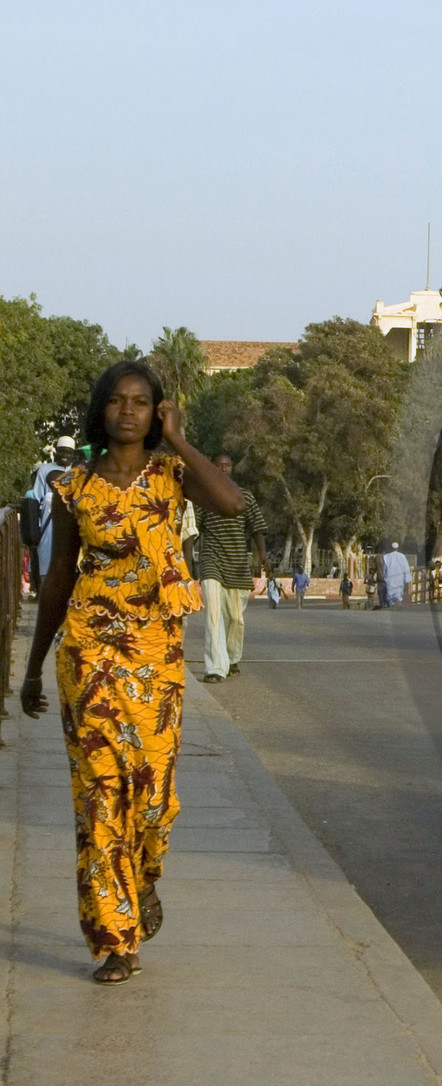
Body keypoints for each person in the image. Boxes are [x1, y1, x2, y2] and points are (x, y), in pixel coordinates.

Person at [18, 358, 244, 985]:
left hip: (156, 657)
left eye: (141, 402)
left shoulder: (172, 475)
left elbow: (229, 501)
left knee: (151, 800)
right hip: (89, 653)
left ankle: (142, 881)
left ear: (157, 412)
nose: (127, 411)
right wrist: (34, 667)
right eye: (117, 401)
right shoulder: (74, 488)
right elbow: (60, 575)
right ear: (101, 409)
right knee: (98, 798)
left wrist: (177, 438)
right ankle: (116, 940)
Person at [194, 452, 270, 683]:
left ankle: (232, 656)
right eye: (219, 465)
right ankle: (215, 667)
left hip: (237, 563)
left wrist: (263, 555)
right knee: (214, 615)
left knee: (236, 618)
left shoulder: (244, 496)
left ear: (232, 468)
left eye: (227, 465)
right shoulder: (204, 496)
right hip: (211, 560)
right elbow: (193, 529)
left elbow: (257, 526)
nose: (223, 469)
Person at [25, 436, 78, 597]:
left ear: (73, 454)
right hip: (48, 525)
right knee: (46, 559)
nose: (64, 456)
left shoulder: (78, 471)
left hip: (71, 524)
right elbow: (37, 497)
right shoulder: (44, 470)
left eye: (68, 453)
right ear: (56, 452)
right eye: (61, 452)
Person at [379, 542, 411, 608]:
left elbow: (385, 568)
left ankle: (392, 604)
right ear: (398, 548)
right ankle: (398, 602)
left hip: (390, 577)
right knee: (399, 590)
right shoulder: (402, 556)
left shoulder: (387, 557)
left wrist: (384, 576)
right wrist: (407, 578)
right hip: (400, 577)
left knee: (390, 591)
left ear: (391, 548)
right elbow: (406, 567)